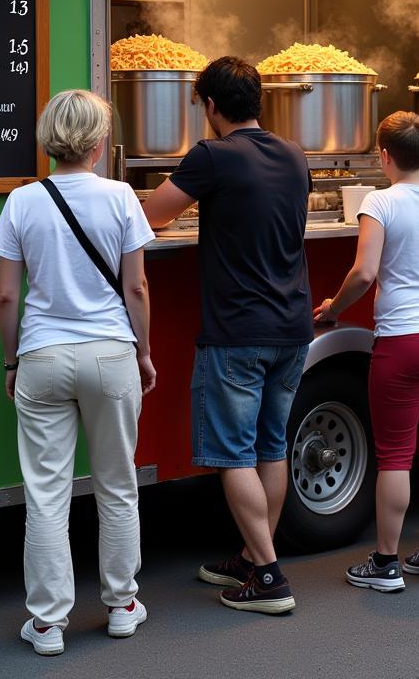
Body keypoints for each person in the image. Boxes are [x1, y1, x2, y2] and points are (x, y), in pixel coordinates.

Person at [0, 90, 156, 655]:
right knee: (117, 486)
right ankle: (121, 605)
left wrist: (12, 360)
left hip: (42, 356)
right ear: (97, 142)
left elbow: (7, 297)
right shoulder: (120, 197)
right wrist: (144, 353)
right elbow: (135, 287)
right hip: (111, 355)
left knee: (46, 494)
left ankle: (47, 622)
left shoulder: (22, 201)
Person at [143, 57, 311, 615]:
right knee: (270, 445)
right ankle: (250, 553)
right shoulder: (294, 154)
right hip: (292, 326)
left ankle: (268, 577)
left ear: (210, 106)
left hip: (238, 329)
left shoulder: (211, 156)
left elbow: (153, 216)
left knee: (234, 452)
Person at [315, 112, 419, 592]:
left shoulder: (378, 202)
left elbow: (364, 274)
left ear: (383, 155)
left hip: (404, 339)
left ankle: (386, 563)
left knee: (395, 455)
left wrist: (330, 308)